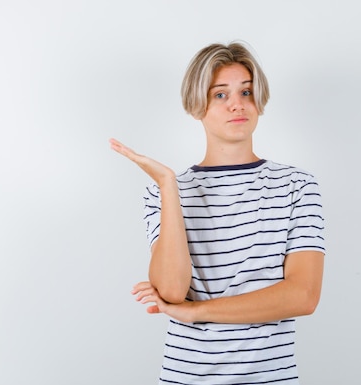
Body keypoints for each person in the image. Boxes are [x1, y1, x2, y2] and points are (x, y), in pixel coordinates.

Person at [109, 41, 325, 385]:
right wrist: (168, 185)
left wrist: (198, 311)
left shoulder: (296, 186)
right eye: (220, 94)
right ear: (197, 105)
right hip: (187, 376)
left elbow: (303, 296)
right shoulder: (162, 193)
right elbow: (171, 291)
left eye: (247, 92)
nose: (237, 104)